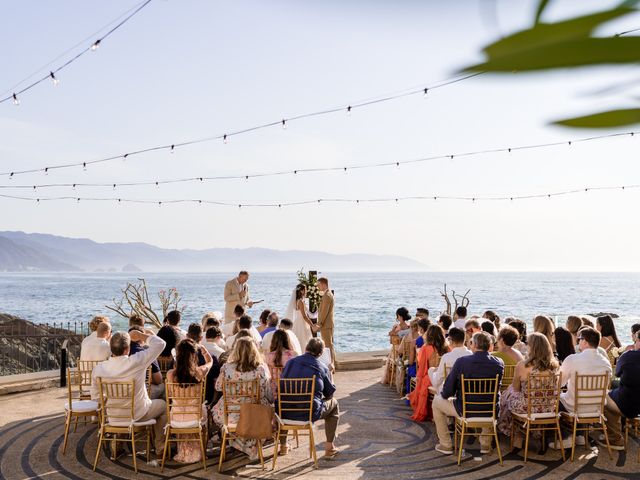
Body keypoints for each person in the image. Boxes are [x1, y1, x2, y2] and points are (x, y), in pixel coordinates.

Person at [90, 330, 167, 457]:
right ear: (127, 349)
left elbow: (96, 397)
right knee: (163, 406)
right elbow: (160, 343)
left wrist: (113, 404)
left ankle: (118, 443)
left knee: (124, 412)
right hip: (138, 414)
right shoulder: (136, 361)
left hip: (113, 417)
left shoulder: (99, 369)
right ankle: (160, 447)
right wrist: (141, 335)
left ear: (111, 348)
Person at [432, 332, 504, 455]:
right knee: (490, 401)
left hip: (465, 409)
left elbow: (448, 390)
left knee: (436, 402)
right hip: (490, 410)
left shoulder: (462, 362)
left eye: (471, 343)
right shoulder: (499, 363)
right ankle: (485, 444)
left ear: (475, 345)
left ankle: (446, 444)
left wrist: (445, 395)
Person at [550, 327, 612, 449]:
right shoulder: (606, 362)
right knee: (575, 399)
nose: (578, 342)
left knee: (553, 398)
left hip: (575, 407)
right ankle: (580, 435)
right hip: (596, 407)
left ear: (585, 341)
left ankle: (566, 436)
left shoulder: (573, 359)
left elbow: (558, 384)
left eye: (579, 339)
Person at [279, 338, 340, 458]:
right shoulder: (322, 367)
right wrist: (330, 375)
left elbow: (282, 385)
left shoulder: (290, 363)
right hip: (309, 413)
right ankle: (329, 447)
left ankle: (283, 445)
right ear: (320, 353)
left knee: (285, 402)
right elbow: (329, 394)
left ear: (306, 348)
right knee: (334, 404)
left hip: (285, 412)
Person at [213, 337, 272, 459]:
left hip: (231, 413)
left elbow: (218, 387)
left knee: (216, 412)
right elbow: (266, 390)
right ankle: (248, 444)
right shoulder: (261, 369)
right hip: (254, 412)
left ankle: (237, 441)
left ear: (236, 351)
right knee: (267, 407)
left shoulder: (227, 368)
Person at [497, 333, 559, 438]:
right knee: (509, 393)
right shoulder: (554, 366)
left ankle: (512, 430)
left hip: (528, 408)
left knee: (507, 394)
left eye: (528, 344)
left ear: (532, 347)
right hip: (549, 408)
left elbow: (516, 388)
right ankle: (535, 431)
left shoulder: (523, 365)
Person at [166, 338, 213, 463]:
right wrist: (204, 352)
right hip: (194, 419)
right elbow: (210, 362)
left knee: (181, 409)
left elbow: (170, 395)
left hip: (175, 419)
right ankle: (201, 450)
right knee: (205, 410)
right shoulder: (199, 372)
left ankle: (184, 451)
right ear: (194, 355)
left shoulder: (170, 374)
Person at [603, 331, 640, 451]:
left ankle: (615, 438)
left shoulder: (628, 356)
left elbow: (617, 373)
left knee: (604, 397)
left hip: (628, 404)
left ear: (638, 341)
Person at [408, 325, 450, 422]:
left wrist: (419, 378)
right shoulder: (447, 347)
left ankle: (425, 411)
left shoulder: (426, 348)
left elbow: (422, 368)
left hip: (430, 377)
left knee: (422, 381)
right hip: (445, 377)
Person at [428, 327, 471, 393]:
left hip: (451, 391)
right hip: (467, 389)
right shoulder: (471, 355)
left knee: (431, 370)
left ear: (451, 341)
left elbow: (438, 380)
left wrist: (432, 372)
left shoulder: (446, 357)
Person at [128, 326, 164, 399]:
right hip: (141, 395)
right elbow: (158, 380)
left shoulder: (120, 354)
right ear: (141, 338)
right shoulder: (145, 353)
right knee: (162, 387)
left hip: (124, 393)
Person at [381, 307, 412, 384]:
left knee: (392, 351)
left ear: (399, 316)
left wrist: (393, 329)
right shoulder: (409, 327)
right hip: (407, 352)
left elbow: (390, 334)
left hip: (398, 351)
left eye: (397, 316)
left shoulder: (398, 326)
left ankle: (393, 378)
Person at [286, 283, 315, 350]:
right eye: (305, 289)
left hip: (298, 322)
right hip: (302, 322)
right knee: (303, 340)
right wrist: (312, 325)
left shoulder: (297, 300)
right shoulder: (301, 302)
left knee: (301, 340)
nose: (307, 291)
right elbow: (304, 316)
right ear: (302, 291)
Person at [315, 277, 335, 369]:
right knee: (328, 344)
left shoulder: (327, 295)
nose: (318, 287)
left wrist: (319, 324)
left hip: (326, 325)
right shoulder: (327, 294)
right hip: (327, 324)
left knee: (328, 345)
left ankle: (332, 365)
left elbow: (324, 311)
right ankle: (331, 364)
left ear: (323, 284)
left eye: (319, 285)